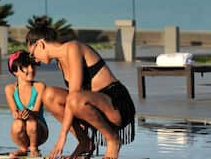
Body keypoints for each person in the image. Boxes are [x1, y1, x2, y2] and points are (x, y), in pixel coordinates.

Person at [25, 16, 135, 159]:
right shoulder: (60, 62)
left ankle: (113, 140)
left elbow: (74, 95)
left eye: (33, 54)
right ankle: (85, 142)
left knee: (75, 99)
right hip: (92, 107)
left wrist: (62, 137)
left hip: (116, 106)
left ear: (40, 44)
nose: (35, 60)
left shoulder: (73, 48)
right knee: (48, 95)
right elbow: (73, 99)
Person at [5, 50, 49, 158]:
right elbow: (14, 112)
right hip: (21, 131)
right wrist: (18, 114)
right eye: (26, 67)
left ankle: (34, 148)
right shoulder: (10, 89)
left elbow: (37, 112)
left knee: (31, 122)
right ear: (15, 71)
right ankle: (23, 148)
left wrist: (29, 113)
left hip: (39, 131)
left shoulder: (40, 86)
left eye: (33, 66)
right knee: (17, 124)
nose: (31, 69)